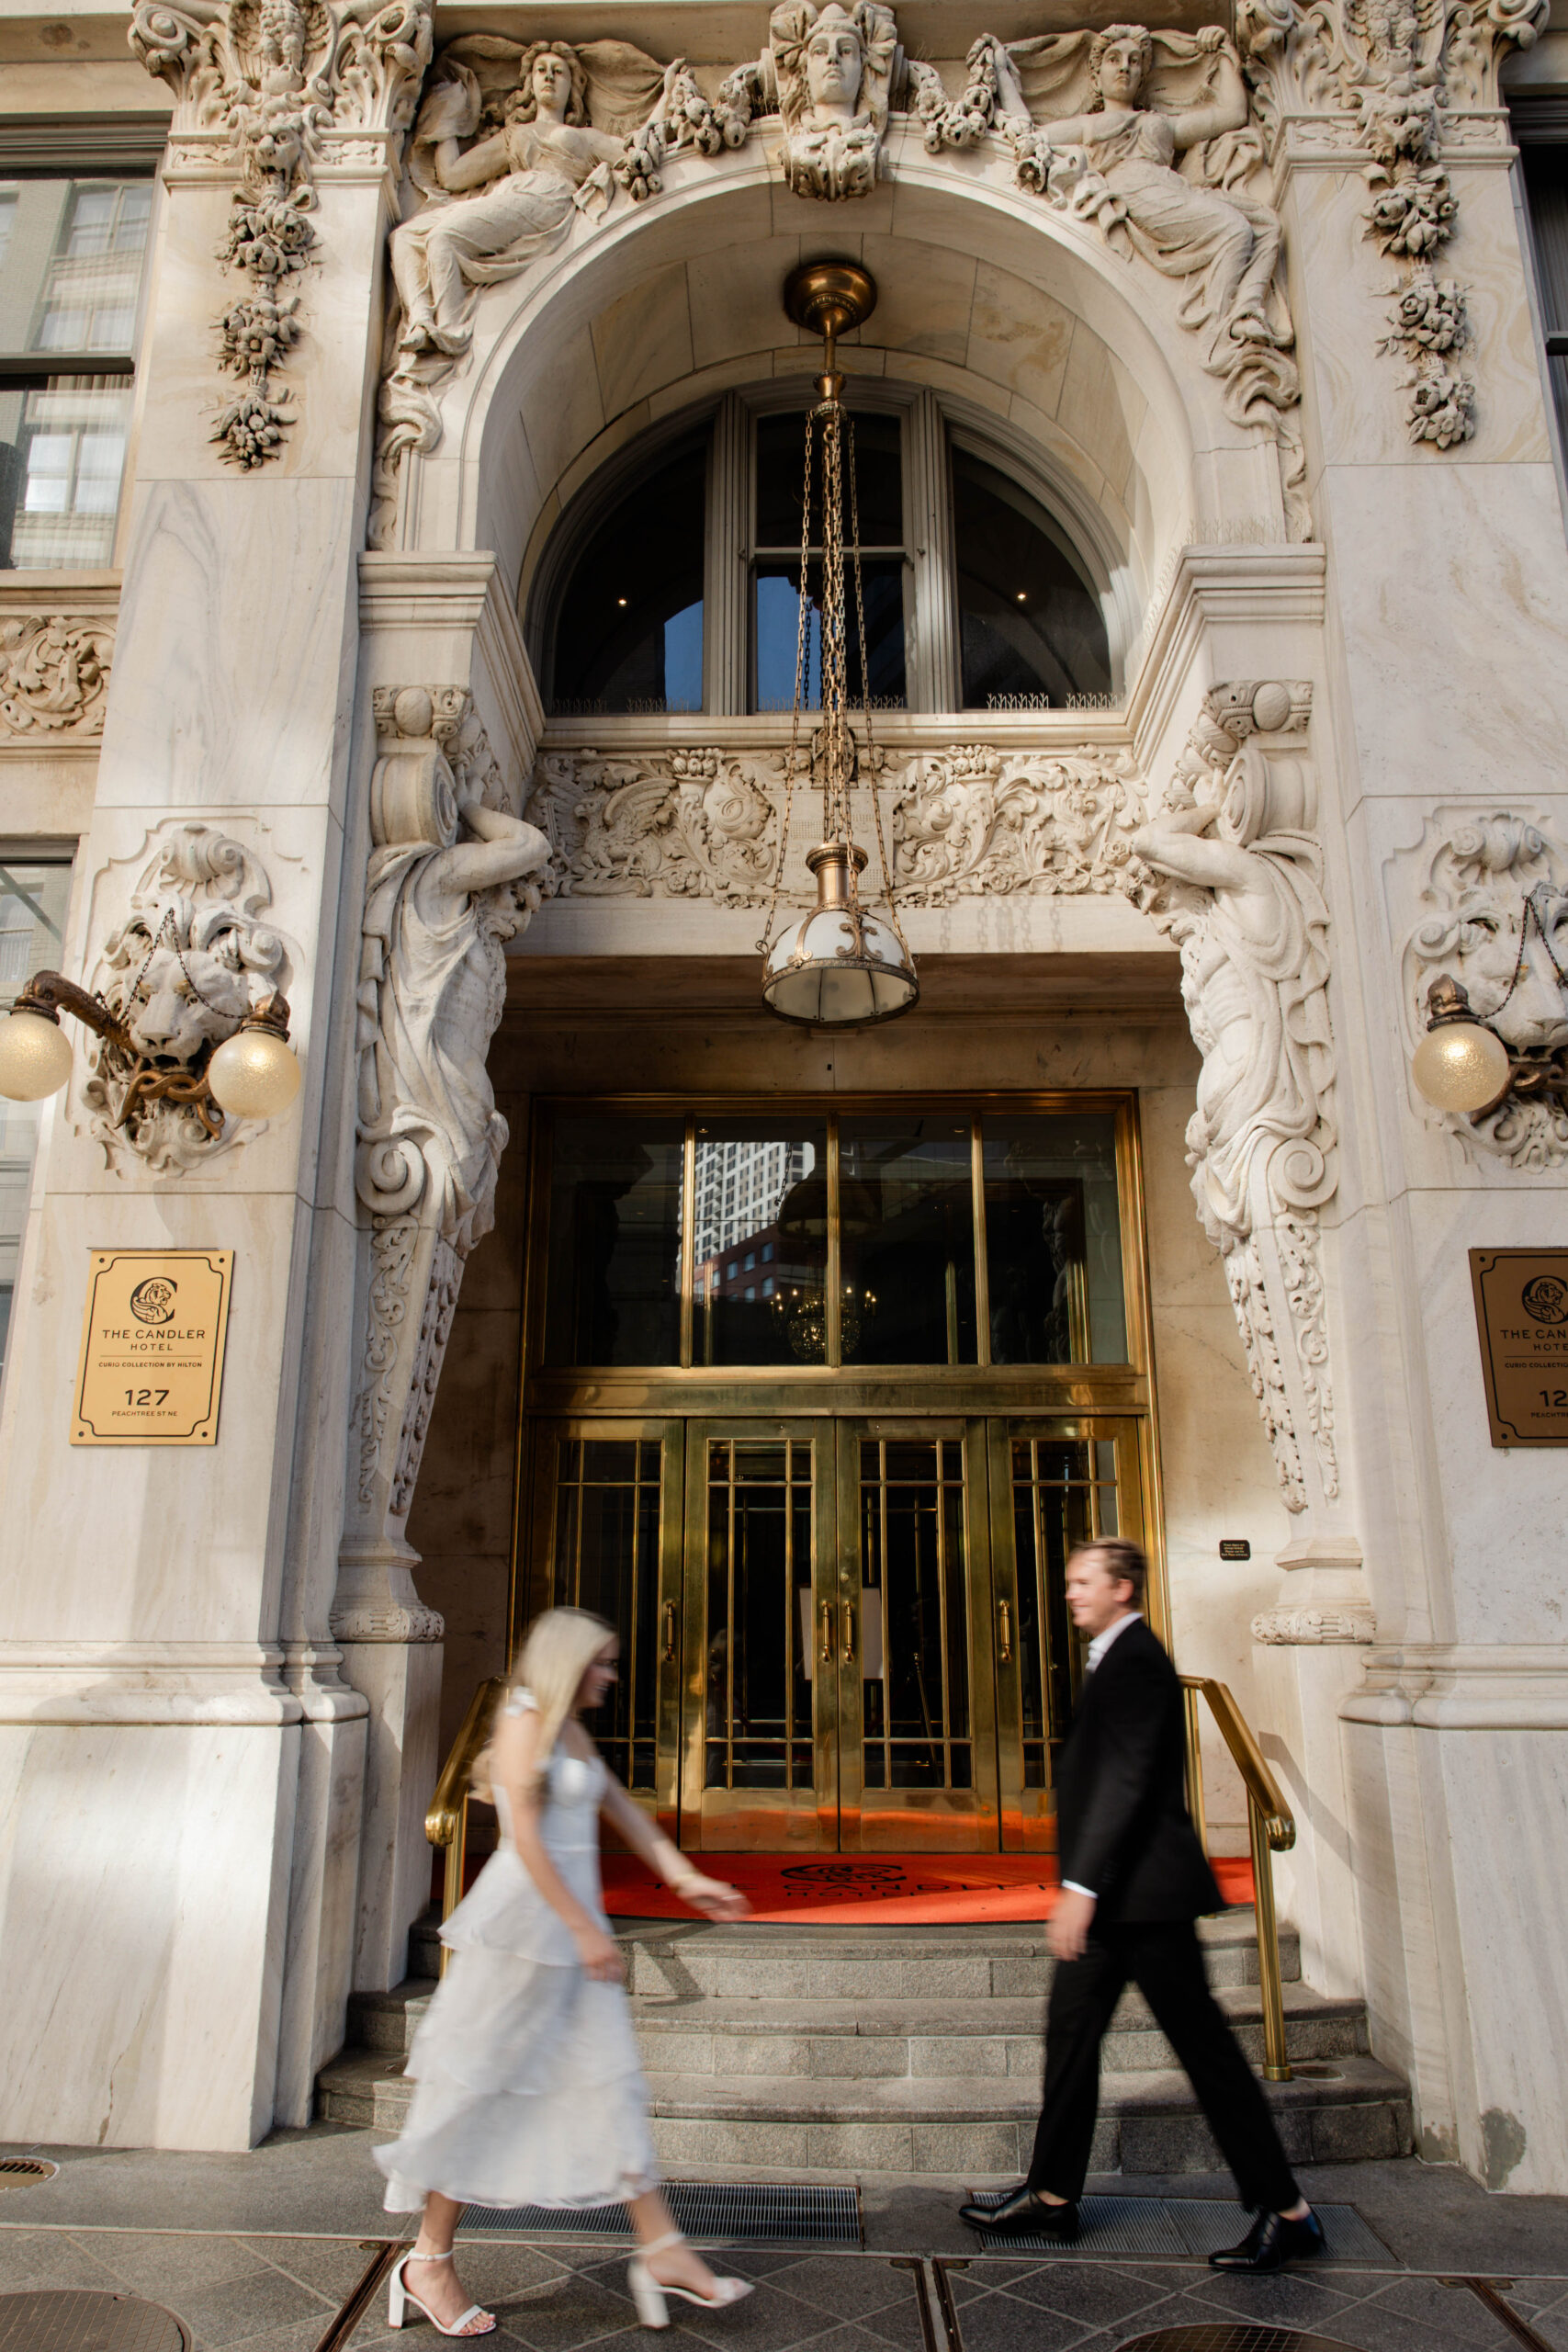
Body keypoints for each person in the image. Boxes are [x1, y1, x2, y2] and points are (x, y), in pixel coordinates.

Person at [375, 1607, 756, 2337]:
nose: (612, 1676)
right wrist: (584, 1929)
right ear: (566, 1662)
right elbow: (525, 1845)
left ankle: (663, 2249)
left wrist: (686, 1879)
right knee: (481, 2091)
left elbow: (623, 1810)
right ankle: (427, 2260)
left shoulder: (565, 1725)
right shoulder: (522, 1721)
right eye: (602, 1662)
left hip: (573, 1938)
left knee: (607, 2081)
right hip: (525, 1936)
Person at [959, 1539, 1325, 2274]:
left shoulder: (1138, 1663)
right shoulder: (1112, 1656)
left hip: (1143, 1901)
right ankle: (1053, 2196)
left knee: (1206, 2053)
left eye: (1082, 1581)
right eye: (1068, 1581)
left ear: (1122, 1588)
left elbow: (1124, 1784)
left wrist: (1079, 1888)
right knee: (1068, 2037)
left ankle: (1287, 2212)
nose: (1069, 1592)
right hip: (1116, 1903)